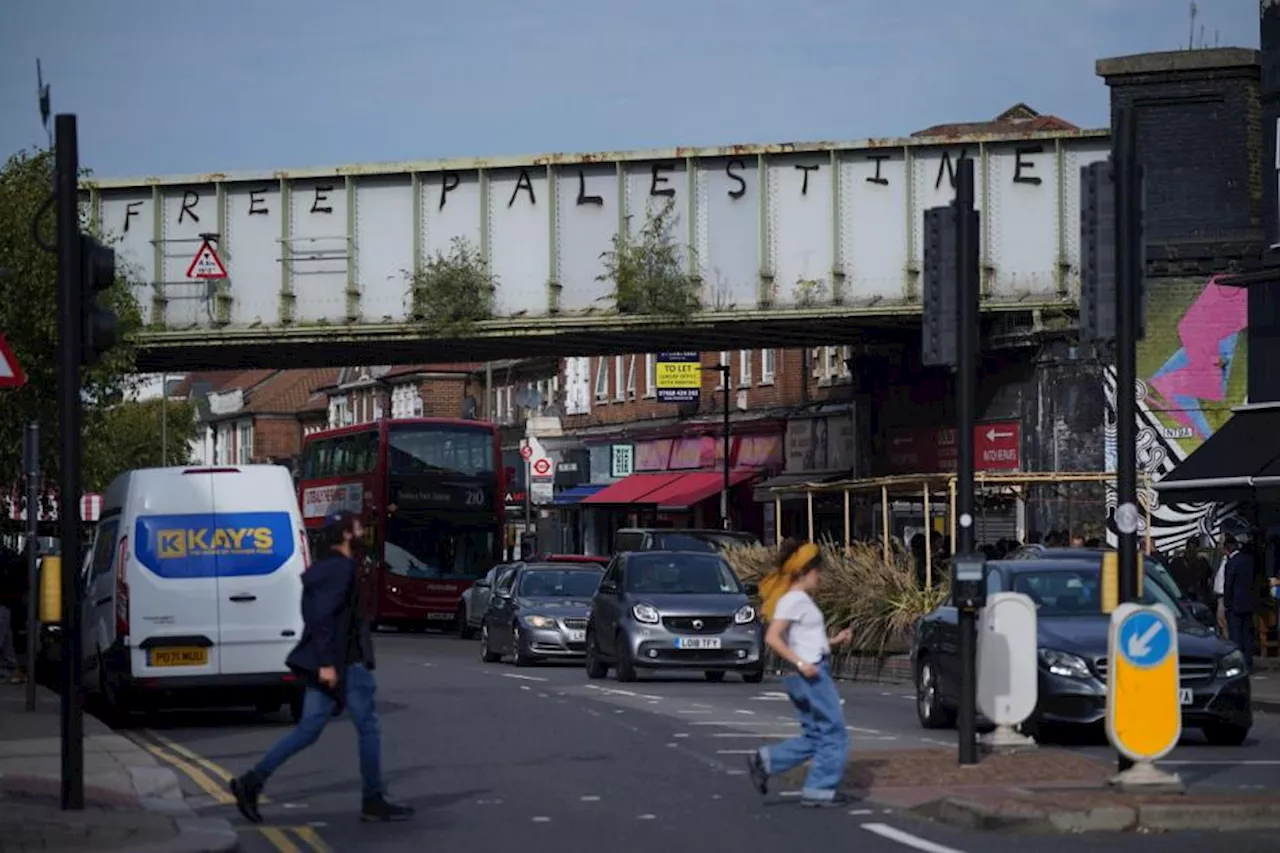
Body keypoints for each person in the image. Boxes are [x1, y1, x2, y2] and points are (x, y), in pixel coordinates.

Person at [230, 511, 412, 824]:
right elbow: (322, 618)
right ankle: (372, 799)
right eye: (356, 528)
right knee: (368, 728)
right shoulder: (341, 570)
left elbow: (317, 616)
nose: (361, 532)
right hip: (344, 664)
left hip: (331, 662)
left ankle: (251, 781)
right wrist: (328, 664)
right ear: (345, 534)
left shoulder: (324, 569)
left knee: (309, 729)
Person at [748, 540, 855, 808]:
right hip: (811, 673)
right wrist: (801, 664)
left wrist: (835, 640)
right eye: (818, 571)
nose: (820, 576)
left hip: (804, 671)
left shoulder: (794, 600)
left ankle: (767, 760)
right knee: (834, 732)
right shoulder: (794, 600)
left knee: (814, 735)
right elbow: (772, 638)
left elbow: (802, 639)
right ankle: (820, 789)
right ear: (804, 572)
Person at [1222, 534, 1257, 670]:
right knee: (1247, 635)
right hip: (1248, 603)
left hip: (1234, 605)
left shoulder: (1231, 563)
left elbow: (1228, 585)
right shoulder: (1249, 560)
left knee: (1236, 636)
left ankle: (1239, 664)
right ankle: (1249, 663)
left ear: (1227, 549)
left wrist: (1226, 603)